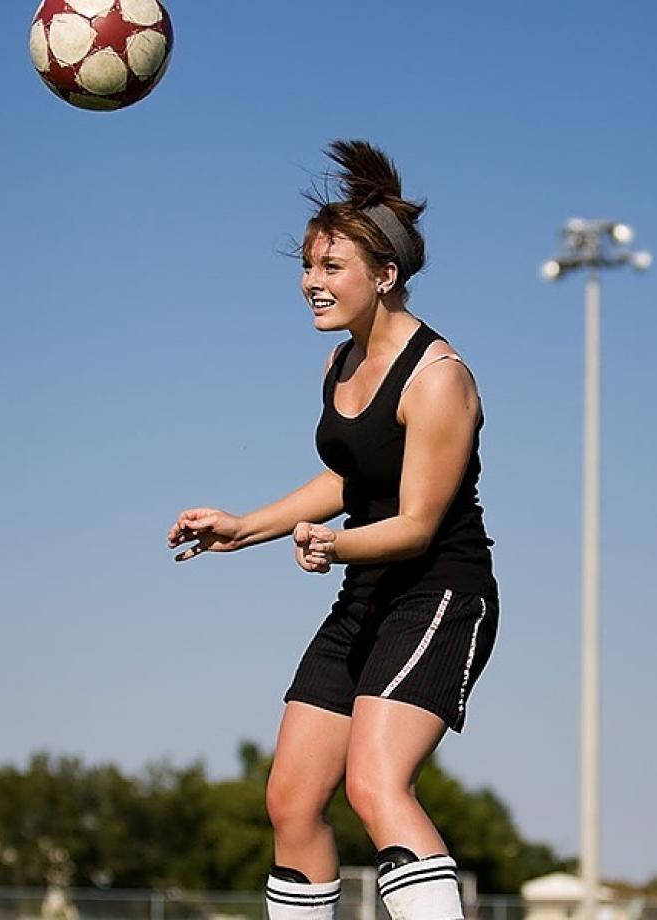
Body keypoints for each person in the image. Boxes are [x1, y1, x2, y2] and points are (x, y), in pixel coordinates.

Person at [167, 140, 498, 920]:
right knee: (291, 799)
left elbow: (416, 523)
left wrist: (334, 542)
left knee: (376, 784)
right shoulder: (340, 365)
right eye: (307, 267)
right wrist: (245, 527)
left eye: (330, 268)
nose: (311, 284)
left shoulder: (439, 378)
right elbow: (351, 479)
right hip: (367, 593)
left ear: (385, 276)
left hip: (440, 596)